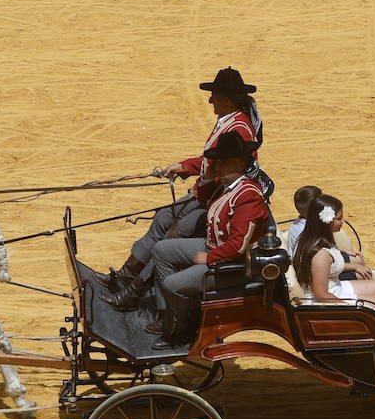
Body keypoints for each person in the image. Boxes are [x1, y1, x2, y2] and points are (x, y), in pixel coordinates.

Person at [103, 67, 270, 311]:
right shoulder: (228, 121)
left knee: (175, 234)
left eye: (214, 95)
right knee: (163, 218)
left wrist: (201, 187)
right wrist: (183, 167)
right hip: (205, 192)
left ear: (226, 99)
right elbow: (208, 160)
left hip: (215, 196)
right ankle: (127, 275)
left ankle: (136, 289)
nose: (210, 99)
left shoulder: (239, 129)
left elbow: (225, 166)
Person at [147, 130, 269, 348]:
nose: (217, 164)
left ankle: (181, 329)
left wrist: (210, 257)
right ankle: (173, 313)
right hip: (215, 249)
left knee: (171, 283)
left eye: (222, 161)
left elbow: (239, 244)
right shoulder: (225, 185)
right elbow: (203, 197)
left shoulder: (248, 195)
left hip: (233, 263)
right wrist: (208, 176)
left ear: (239, 164)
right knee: (161, 250)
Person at [286, 191, 375, 342]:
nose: (343, 221)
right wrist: (355, 309)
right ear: (326, 222)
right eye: (339, 218)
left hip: (334, 288)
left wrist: (351, 264)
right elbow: (322, 295)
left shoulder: (316, 239)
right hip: (328, 298)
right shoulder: (320, 256)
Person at [286, 184, 366, 280]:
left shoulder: (301, 225)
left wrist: (343, 250)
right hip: (317, 273)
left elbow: (320, 245)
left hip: (323, 263)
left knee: (358, 260)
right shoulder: (306, 231)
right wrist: (353, 266)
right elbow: (322, 263)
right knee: (361, 268)